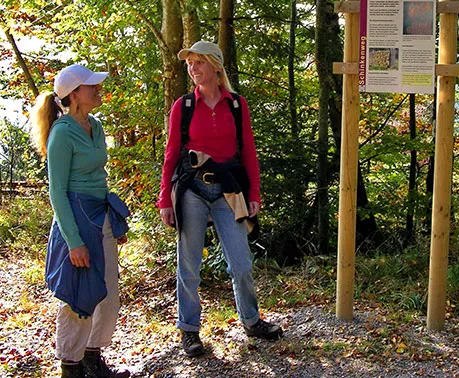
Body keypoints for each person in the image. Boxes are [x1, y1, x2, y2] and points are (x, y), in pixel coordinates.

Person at [158, 41, 283, 357]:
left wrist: (253, 193)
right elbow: (172, 154)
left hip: (230, 190)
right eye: (190, 64)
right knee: (189, 265)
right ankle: (189, 330)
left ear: (215, 66)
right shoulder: (183, 107)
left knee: (241, 262)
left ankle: (252, 321)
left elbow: (249, 153)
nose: (193, 68)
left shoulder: (237, 106)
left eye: (199, 62)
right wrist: (165, 200)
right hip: (192, 192)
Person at [31, 64, 131, 378]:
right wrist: (73, 241)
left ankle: (92, 357)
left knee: (108, 291)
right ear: (74, 94)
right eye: (91, 86)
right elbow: (57, 192)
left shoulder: (97, 126)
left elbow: (98, 178)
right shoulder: (62, 133)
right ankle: (70, 366)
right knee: (78, 294)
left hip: (100, 215)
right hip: (75, 218)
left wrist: (114, 224)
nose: (97, 89)